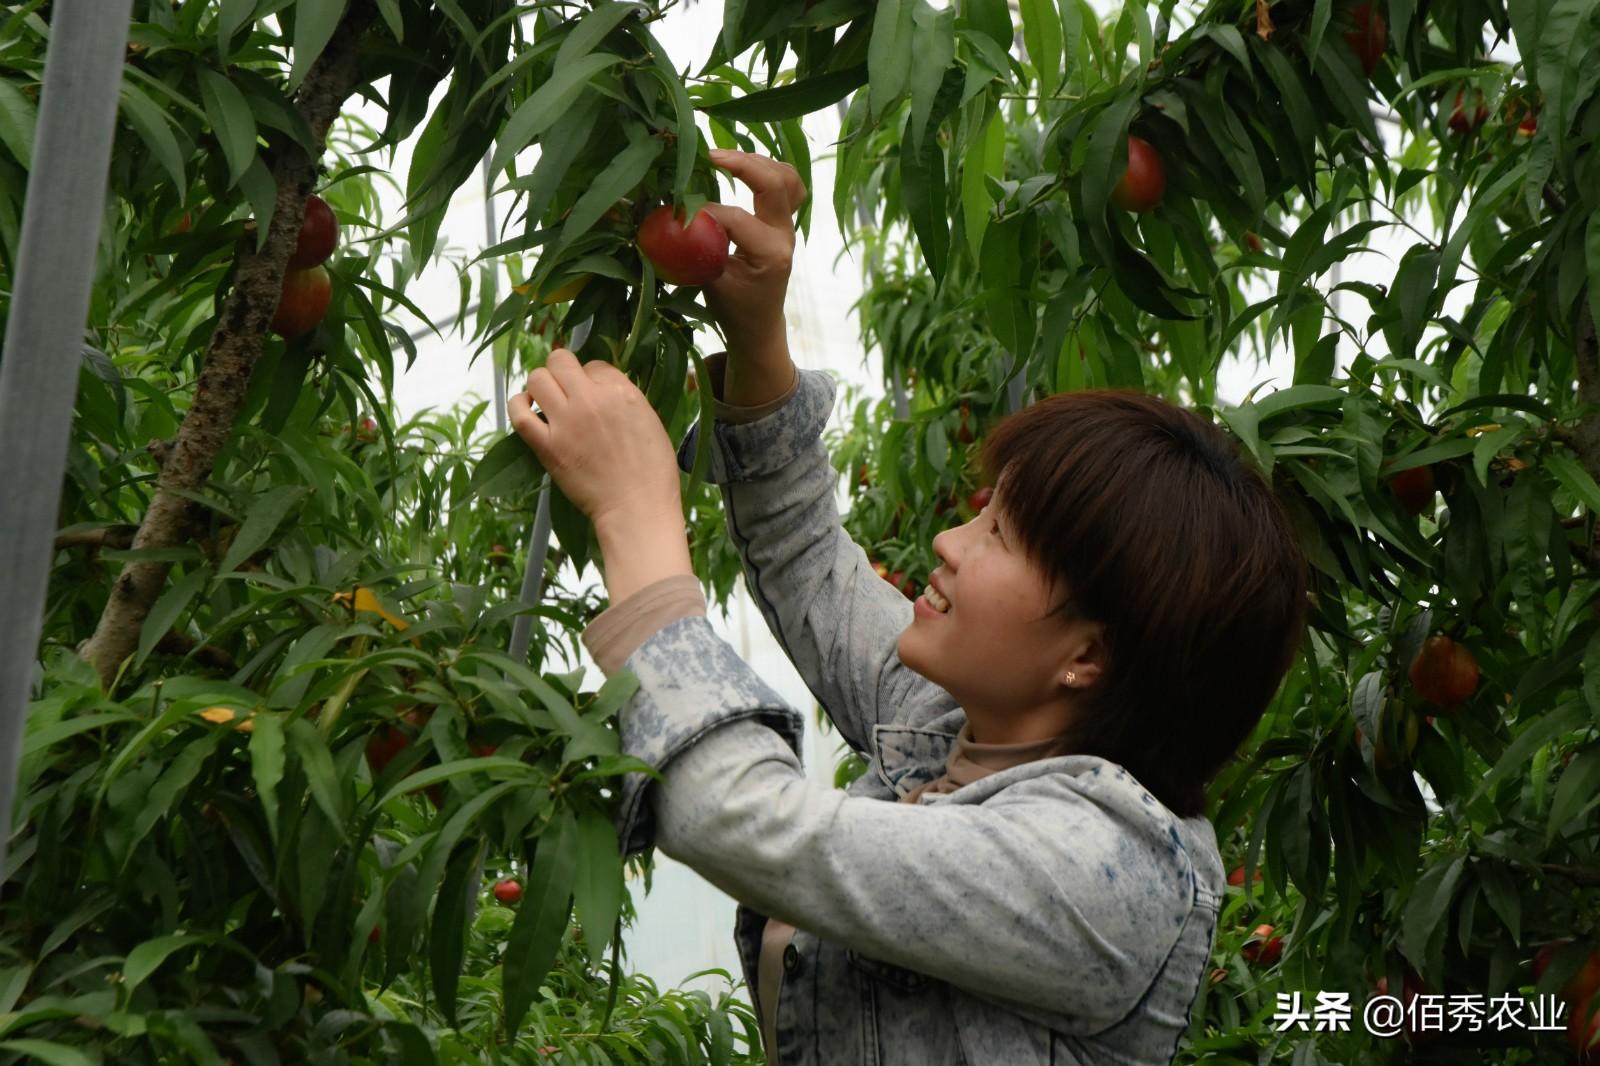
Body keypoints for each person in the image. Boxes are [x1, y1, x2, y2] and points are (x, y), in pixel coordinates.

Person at [508, 149, 1309, 1065]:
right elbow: (808, 558)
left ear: (1086, 656)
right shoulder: (952, 726)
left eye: (1000, 536)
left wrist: (637, 520)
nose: (948, 543)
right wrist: (759, 338)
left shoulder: (1102, 875)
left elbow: (738, 816)